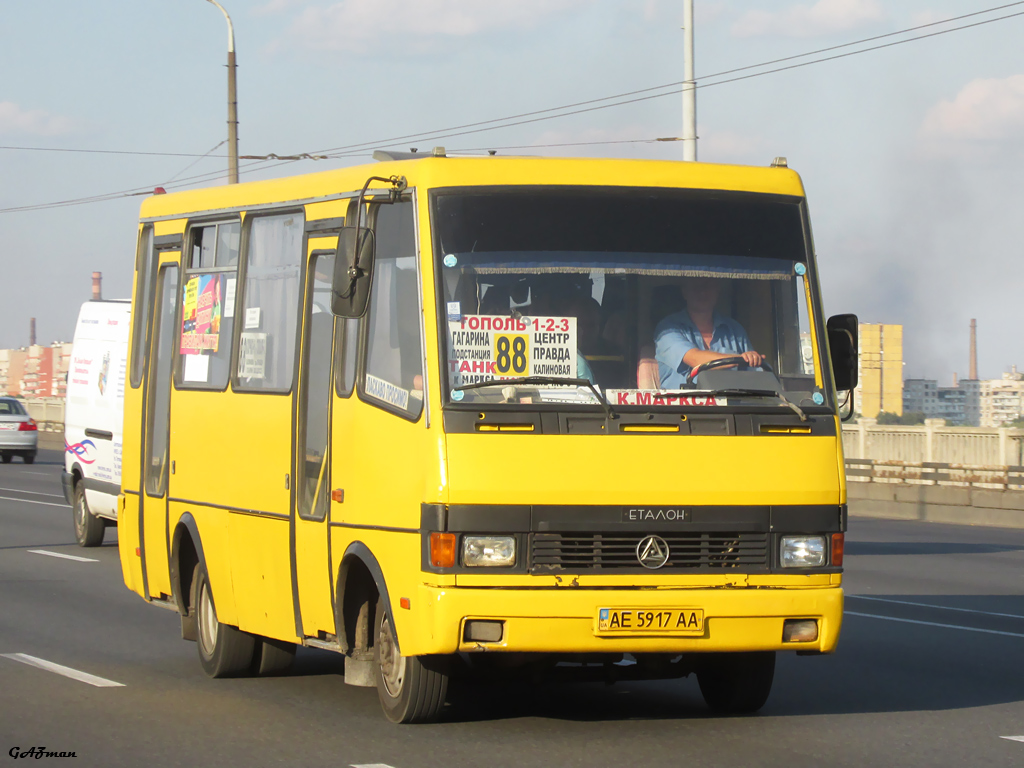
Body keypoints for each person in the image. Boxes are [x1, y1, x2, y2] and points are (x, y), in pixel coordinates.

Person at [654, 277, 763, 388]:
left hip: (732, 403)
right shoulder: (667, 329)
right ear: (684, 292)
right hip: (684, 404)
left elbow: (756, 376)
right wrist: (741, 359)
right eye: (695, 287)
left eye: (708, 285)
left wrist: (753, 359)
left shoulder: (735, 329)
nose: (702, 291)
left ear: (717, 290)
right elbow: (695, 359)